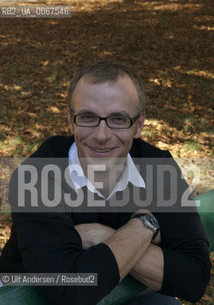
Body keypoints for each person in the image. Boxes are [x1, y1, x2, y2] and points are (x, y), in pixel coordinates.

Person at [0, 60, 211, 305]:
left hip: (121, 288)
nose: (102, 135)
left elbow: (194, 278)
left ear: (139, 124)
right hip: (24, 294)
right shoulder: (36, 175)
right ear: (70, 120)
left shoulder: (157, 166)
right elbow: (68, 291)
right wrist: (145, 227)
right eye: (87, 117)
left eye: (119, 119)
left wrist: (107, 236)